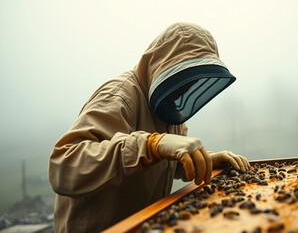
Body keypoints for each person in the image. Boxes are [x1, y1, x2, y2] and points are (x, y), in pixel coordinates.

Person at [48, 22, 250, 233]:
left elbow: (164, 161)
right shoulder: (120, 96)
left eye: (193, 79)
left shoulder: (168, 107)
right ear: (163, 65)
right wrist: (151, 144)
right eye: (182, 77)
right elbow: (64, 165)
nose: (186, 87)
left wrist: (205, 159)